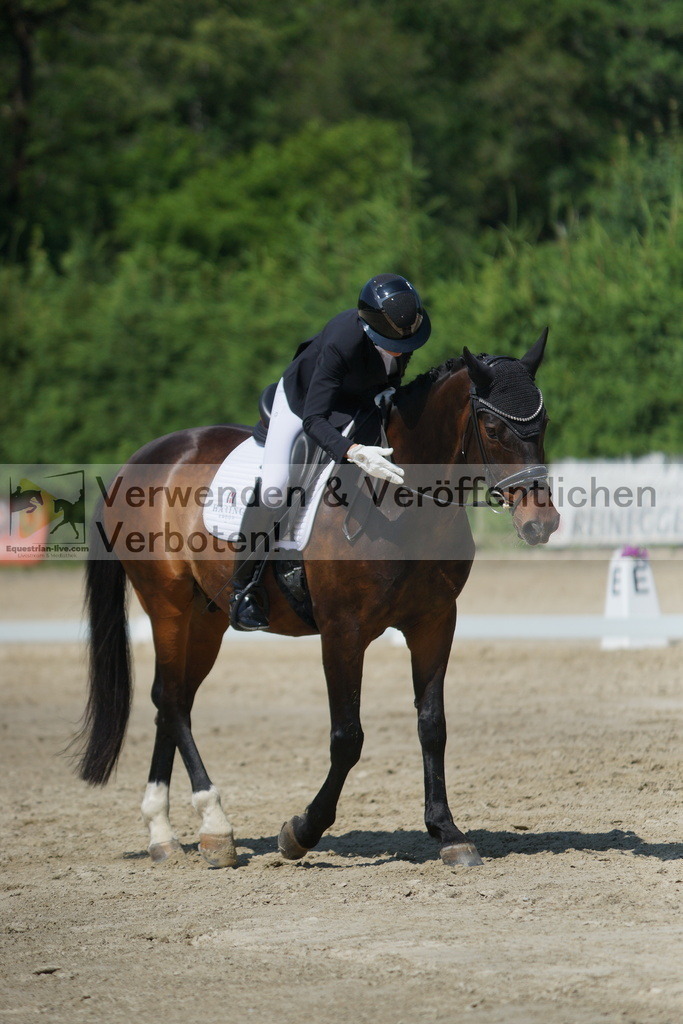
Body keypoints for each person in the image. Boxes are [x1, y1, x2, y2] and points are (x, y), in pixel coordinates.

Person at [230, 272, 431, 630]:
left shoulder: (402, 332)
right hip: (302, 404)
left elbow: (390, 378)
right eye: (394, 344)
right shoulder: (343, 342)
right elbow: (314, 419)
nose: (403, 350)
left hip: (357, 400)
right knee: (276, 487)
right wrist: (352, 451)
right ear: (370, 328)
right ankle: (242, 588)